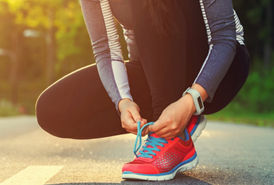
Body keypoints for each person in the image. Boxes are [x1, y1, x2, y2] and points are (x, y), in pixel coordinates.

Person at [35, 0, 249, 181]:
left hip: (219, 72)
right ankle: (171, 120)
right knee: (52, 110)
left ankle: (173, 141)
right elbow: (105, 48)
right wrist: (123, 101)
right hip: (154, 72)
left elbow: (224, 38)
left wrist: (191, 100)